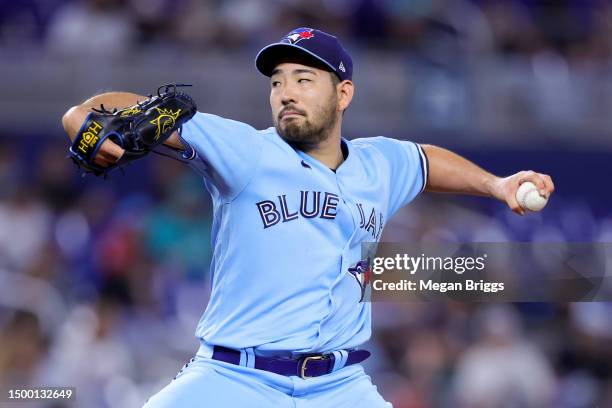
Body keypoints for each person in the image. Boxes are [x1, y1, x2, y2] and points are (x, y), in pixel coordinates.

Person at [61, 27, 554, 407]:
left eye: (303, 79)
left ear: (343, 94)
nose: (286, 92)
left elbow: (424, 162)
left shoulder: (379, 163)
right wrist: (83, 117)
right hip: (235, 379)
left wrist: (497, 184)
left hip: (340, 385)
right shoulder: (247, 152)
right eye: (277, 82)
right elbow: (108, 110)